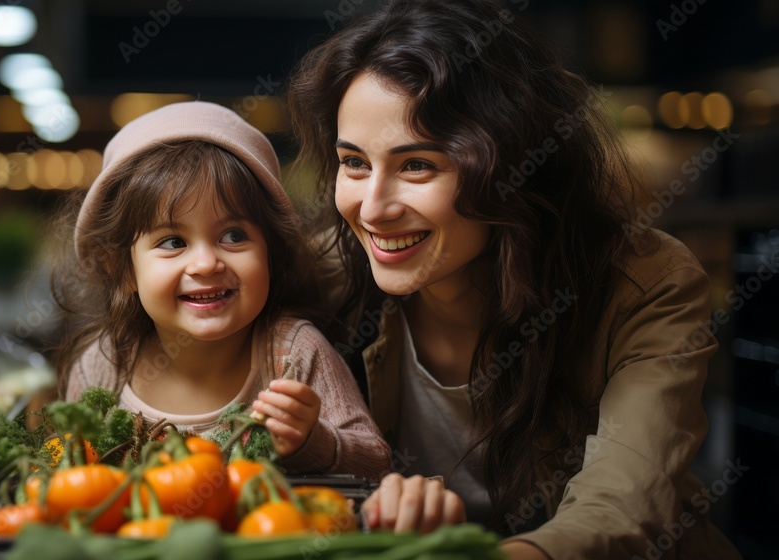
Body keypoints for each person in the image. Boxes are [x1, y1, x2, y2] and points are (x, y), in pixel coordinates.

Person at [287, 0, 743, 558]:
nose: (373, 209)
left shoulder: (646, 285)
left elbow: (621, 509)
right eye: (354, 162)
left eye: (417, 165)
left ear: (510, 164)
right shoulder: (327, 272)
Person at [52, 101, 391, 480]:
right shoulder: (102, 365)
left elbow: (376, 461)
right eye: (173, 241)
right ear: (122, 268)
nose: (205, 264)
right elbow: (66, 471)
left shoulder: (293, 354)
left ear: (272, 253)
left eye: (233, 236)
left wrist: (314, 442)